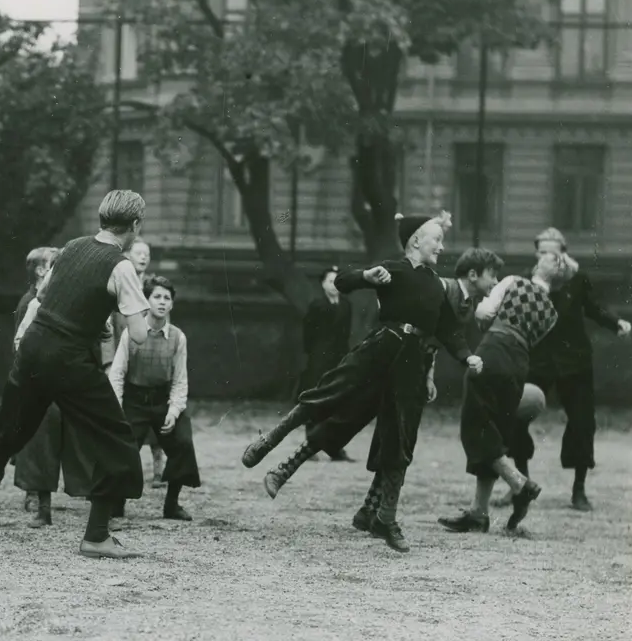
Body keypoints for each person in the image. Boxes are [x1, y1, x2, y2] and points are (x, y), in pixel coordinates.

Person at [242, 211, 483, 553]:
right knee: (328, 395)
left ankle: (386, 518)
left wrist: (467, 356)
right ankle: (268, 442)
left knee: (400, 436)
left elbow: (449, 329)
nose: (442, 247)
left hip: (411, 362)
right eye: (437, 240)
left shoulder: (436, 285)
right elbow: (343, 282)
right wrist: (367, 275)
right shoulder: (393, 269)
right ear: (416, 240)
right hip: (381, 347)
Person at [0, 190, 152, 560]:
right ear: (135, 225)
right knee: (115, 440)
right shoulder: (121, 266)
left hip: (34, 343)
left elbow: (44, 295)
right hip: (69, 358)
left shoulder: (72, 246)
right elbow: (138, 334)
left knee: (20, 417)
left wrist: (92, 317)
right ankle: (96, 536)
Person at [437, 251, 570, 536]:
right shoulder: (552, 314)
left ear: (539, 265)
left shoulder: (513, 282)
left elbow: (483, 313)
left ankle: (519, 483)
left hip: (495, 349)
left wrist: (488, 322)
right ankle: (478, 513)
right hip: (519, 362)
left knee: (475, 424)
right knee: (494, 429)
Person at [505, 228, 630, 512]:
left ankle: (579, 490)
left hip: (575, 361)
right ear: (535, 254)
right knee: (517, 415)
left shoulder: (577, 279)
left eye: (553, 252)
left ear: (564, 253)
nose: (547, 257)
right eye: (542, 252)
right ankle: (519, 484)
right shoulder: (527, 280)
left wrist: (616, 323)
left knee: (583, 421)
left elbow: (594, 308)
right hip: (537, 359)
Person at [107, 274, 201, 524]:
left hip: (163, 400)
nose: (161, 302)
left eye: (167, 298)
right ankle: (117, 503)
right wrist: (117, 409)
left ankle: (171, 504)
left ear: (172, 304)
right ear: (146, 301)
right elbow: (117, 374)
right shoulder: (131, 333)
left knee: (183, 442)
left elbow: (180, 380)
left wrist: (173, 411)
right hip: (134, 400)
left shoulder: (178, 337)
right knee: (122, 446)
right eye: (156, 297)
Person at [10, 247, 90, 528]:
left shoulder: (82, 304)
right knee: (42, 442)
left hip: (74, 381)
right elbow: (19, 341)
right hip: (43, 382)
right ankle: (43, 508)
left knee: (84, 443)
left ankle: (102, 512)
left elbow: (99, 334)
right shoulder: (35, 306)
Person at [298, 267, 354, 462]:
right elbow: (308, 334)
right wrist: (314, 354)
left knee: (338, 402)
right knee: (316, 399)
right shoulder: (317, 305)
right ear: (323, 284)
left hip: (339, 358)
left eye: (337, 281)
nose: (334, 285)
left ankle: (335, 448)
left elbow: (346, 333)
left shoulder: (346, 305)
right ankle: (310, 446)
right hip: (319, 359)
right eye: (330, 281)